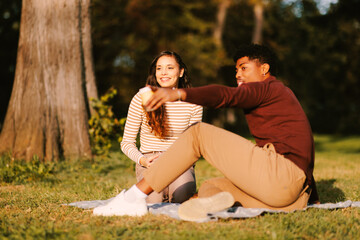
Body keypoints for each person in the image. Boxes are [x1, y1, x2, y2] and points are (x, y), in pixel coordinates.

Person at [93, 44, 319, 221]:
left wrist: (179, 94)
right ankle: (206, 203)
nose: (238, 74)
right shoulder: (281, 96)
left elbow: (226, 96)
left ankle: (132, 198)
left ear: (264, 69)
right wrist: (312, 195)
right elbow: (303, 145)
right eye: (236, 70)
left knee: (198, 133)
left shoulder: (270, 88)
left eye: (244, 68)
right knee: (213, 186)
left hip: (282, 177)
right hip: (286, 195)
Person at [119, 51, 203, 204]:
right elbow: (126, 143)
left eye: (170, 68)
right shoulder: (141, 98)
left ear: (181, 72)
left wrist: (183, 163)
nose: (163, 72)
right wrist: (143, 161)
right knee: (153, 201)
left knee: (181, 196)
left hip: (180, 162)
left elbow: (194, 145)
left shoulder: (193, 101)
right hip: (149, 162)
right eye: (159, 68)